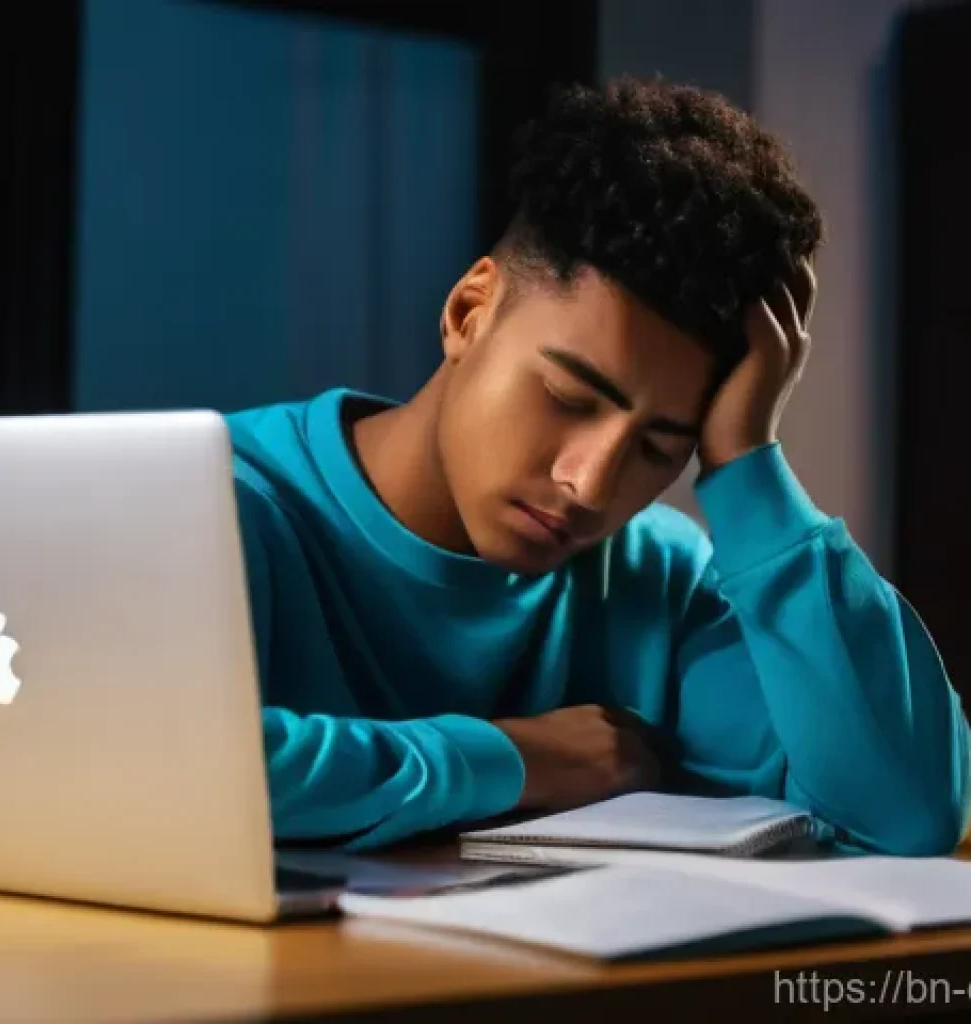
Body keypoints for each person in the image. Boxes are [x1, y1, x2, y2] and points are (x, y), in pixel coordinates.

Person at [227, 75, 969, 856]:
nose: (591, 484)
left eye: (660, 445)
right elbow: (130, 768)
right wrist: (517, 759)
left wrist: (749, 467)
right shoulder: (222, 504)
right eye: (568, 396)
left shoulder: (663, 583)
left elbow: (904, 814)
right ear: (468, 311)